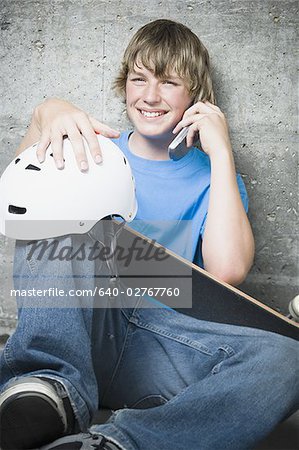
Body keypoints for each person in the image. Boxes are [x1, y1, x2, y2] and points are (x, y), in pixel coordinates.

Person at [0, 19, 298, 450]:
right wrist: (45, 112)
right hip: (83, 322)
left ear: (195, 96)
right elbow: (22, 205)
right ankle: (50, 386)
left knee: (288, 360)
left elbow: (228, 271)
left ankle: (119, 444)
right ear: (125, 86)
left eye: (170, 82)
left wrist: (221, 153)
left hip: (158, 342)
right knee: (55, 213)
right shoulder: (93, 148)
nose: (150, 96)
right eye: (139, 79)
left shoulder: (211, 178)